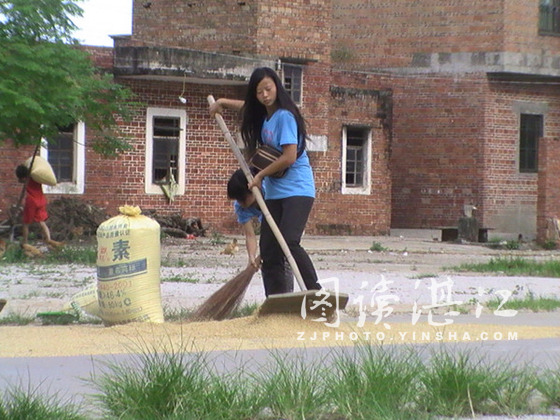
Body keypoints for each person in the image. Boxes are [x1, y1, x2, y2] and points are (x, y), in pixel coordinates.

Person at [211, 66, 321, 296]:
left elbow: (289, 157)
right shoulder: (264, 116)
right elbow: (247, 107)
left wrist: (260, 175)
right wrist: (222, 102)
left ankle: (315, 293)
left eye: (268, 89)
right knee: (269, 250)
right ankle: (276, 300)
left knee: (289, 241)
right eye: (259, 92)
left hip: (297, 190)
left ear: (277, 88)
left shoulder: (285, 117)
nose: (265, 95)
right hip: (274, 192)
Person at [15, 164, 61, 248]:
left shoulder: (26, 180)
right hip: (41, 200)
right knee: (41, 221)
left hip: (32, 202)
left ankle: (25, 242)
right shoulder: (36, 177)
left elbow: (22, 181)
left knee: (26, 223)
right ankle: (49, 239)